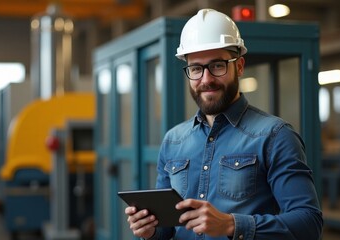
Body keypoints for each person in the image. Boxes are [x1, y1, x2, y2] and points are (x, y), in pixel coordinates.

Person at [125, 8, 323, 240]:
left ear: (239, 66)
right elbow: (167, 228)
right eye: (196, 69)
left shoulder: (275, 136)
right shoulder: (173, 141)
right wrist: (150, 230)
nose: (206, 79)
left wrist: (232, 225)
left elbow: (309, 223)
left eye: (218, 65)